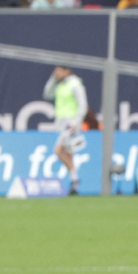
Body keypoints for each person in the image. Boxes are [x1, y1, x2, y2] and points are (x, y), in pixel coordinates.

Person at [43, 66, 89, 194]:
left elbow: (83, 105)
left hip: (71, 124)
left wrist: (76, 122)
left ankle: (75, 179)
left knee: (58, 150)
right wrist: (53, 79)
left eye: (59, 71)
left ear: (67, 71)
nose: (56, 73)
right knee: (68, 153)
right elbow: (47, 94)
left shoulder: (75, 84)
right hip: (62, 123)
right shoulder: (60, 84)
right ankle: (74, 183)